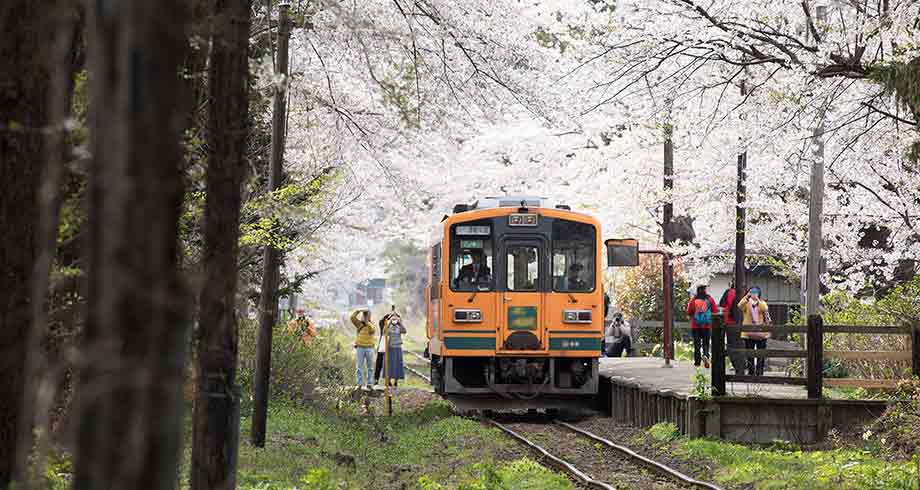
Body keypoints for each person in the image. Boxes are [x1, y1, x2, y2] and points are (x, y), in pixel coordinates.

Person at [738, 286, 771, 376]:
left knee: (761, 353)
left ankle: (760, 372)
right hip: (748, 332)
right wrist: (747, 296)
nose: (754, 293)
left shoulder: (762, 303)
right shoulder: (746, 303)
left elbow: (765, 308)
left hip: (761, 332)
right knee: (749, 353)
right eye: (752, 291)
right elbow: (739, 305)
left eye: (756, 292)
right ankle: (751, 371)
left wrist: (758, 300)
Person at [686, 285, 719, 368]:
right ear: (705, 290)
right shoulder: (709, 299)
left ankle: (697, 362)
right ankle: (706, 356)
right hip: (707, 326)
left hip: (695, 326)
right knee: (706, 343)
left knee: (697, 344)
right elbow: (715, 311)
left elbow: (689, 312)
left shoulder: (693, 300)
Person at [719, 282, 745, 375]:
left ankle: (736, 366)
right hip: (742, 324)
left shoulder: (728, 292)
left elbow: (721, 303)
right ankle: (741, 368)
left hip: (729, 323)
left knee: (731, 345)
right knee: (741, 345)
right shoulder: (744, 293)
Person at [350, 309, 376, 390]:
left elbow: (372, 330)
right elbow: (352, 317)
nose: (364, 316)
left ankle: (369, 383)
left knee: (370, 367)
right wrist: (358, 310)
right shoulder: (359, 324)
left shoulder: (372, 324)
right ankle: (359, 384)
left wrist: (367, 322)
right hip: (360, 348)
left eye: (366, 315)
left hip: (369, 348)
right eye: (364, 315)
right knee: (359, 367)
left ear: (369, 316)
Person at [384, 312, 407, 386]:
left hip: (397, 347)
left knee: (397, 364)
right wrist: (389, 323)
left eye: (395, 319)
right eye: (393, 319)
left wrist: (400, 323)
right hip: (390, 347)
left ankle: (396, 381)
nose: (394, 320)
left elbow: (404, 331)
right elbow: (384, 332)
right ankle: (389, 380)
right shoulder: (388, 327)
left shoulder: (399, 327)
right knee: (389, 364)